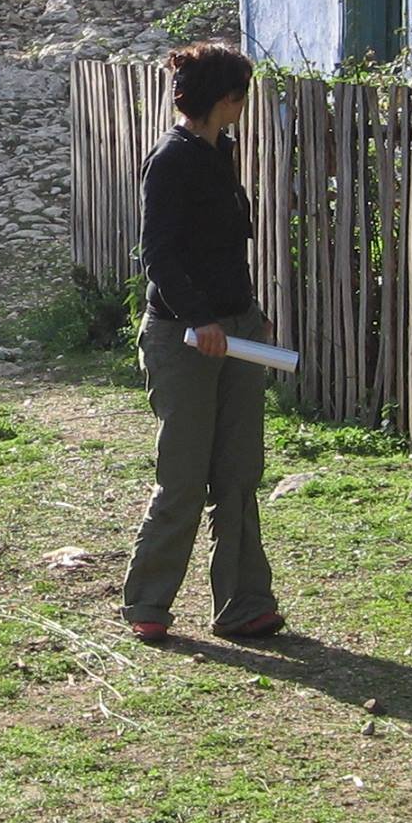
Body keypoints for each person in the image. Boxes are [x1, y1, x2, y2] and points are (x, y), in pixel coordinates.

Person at [119, 42, 284, 644]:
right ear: (225, 99)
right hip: (183, 336)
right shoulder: (170, 160)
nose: (245, 104)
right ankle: (148, 604)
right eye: (242, 94)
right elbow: (159, 253)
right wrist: (202, 319)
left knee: (239, 472)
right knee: (184, 476)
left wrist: (249, 314)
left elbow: (224, 249)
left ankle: (245, 605)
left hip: (236, 329)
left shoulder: (224, 152)